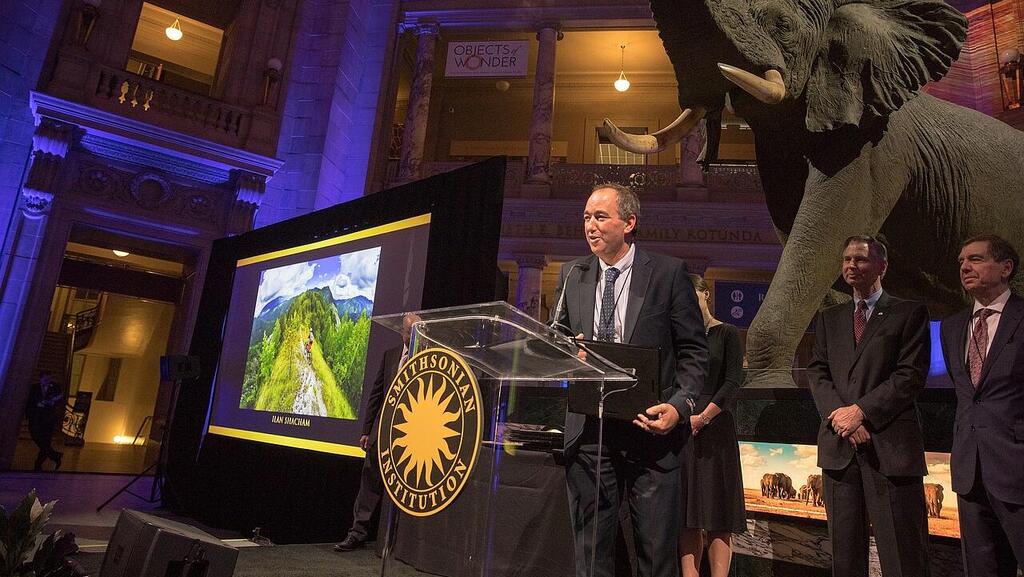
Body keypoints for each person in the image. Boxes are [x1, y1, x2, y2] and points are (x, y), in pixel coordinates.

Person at [552, 183, 707, 577]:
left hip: (651, 434)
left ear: (630, 222)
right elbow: (555, 344)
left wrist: (678, 407)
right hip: (590, 434)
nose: (590, 225)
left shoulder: (668, 274)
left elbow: (694, 354)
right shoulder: (572, 274)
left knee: (656, 556)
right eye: (586, 216)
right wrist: (570, 352)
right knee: (591, 555)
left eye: (600, 217)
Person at [807, 235, 931, 577]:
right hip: (839, 449)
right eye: (846, 259)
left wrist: (860, 412)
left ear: (882, 266)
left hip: (889, 451)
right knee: (845, 559)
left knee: (903, 557)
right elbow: (817, 372)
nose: (851, 265)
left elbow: (910, 376)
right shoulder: (830, 318)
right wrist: (841, 418)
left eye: (860, 259)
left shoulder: (909, 312)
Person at [939, 234, 1024, 577]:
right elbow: (968, 396)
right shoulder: (952, 326)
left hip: (1017, 467)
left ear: (1005, 268)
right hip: (969, 471)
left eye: (975, 259)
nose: (964, 267)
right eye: (961, 261)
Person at [335, 313, 419, 552]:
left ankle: (391, 541)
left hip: (408, 437)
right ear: (401, 332)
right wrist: (366, 430)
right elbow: (376, 395)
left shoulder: (425, 359)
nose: (411, 337)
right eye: (408, 332)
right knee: (369, 485)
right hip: (380, 433)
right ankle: (357, 534)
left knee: (398, 488)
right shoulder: (390, 356)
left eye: (416, 332)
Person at [679, 274, 746, 577]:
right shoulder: (679, 338)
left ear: (705, 295)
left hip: (716, 428)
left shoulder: (727, 333)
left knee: (719, 516)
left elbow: (733, 381)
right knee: (687, 516)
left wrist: (703, 417)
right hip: (684, 429)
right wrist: (685, 417)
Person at [25, 371, 64, 471]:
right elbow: (29, 401)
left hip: (48, 418)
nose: (47, 381)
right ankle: (55, 455)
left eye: (49, 379)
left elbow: (59, 400)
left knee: (46, 441)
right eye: (45, 379)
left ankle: (38, 464)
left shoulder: (55, 387)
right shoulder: (34, 388)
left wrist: (52, 402)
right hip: (36, 417)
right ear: (41, 379)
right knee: (36, 436)